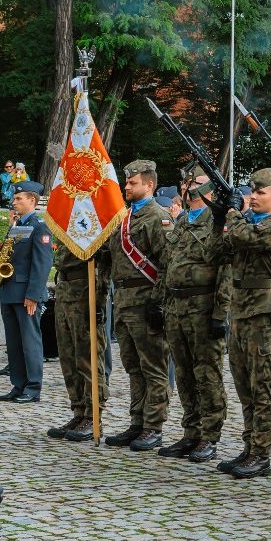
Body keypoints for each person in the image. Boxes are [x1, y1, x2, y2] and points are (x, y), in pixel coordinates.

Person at [216, 167, 271, 480]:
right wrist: (224, 216)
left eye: (261, 193)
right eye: (254, 192)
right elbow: (220, 249)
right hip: (241, 311)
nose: (254, 197)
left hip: (263, 313)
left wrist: (233, 213)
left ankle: (261, 453)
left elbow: (242, 238)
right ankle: (249, 446)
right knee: (244, 384)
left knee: (262, 387)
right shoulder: (247, 222)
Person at [158, 166, 228, 462]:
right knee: (184, 374)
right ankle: (191, 432)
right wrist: (161, 302)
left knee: (207, 374)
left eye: (196, 183)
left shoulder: (217, 222)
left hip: (203, 307)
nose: (188, 188)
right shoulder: (183, 221)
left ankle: (210, 436)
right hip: (177, 307)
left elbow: (225, 269)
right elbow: (169, 265)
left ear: (210, 191)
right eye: (186, 182)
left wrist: (220, 314)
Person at [103, 160, 172, 452]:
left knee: (153, 366)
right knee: (133, 366)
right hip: (124, 301)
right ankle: (137, 421)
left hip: (146, 300)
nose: (126, 187)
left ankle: (153, 426)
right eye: (126, 182)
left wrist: (158, 303)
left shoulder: (159, 217)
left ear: (149, 185)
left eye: (133, 183)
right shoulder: (124, 218)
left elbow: (167, 263)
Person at [0, 180, 52, 404]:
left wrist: (33, 295)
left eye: (19, 198)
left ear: (32, 201)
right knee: (14, 342)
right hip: (9, 291)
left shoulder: (39, 227)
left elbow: (42, 263)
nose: (14, 201)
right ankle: (18, 384)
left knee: (30, 341)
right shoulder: (16, 226)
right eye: (14, 198)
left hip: (26, 294)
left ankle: (33, 387)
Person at [46, 237, 110, 443]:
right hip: (65, 290)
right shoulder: (67, 219)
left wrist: (100, 299)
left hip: (85, 289)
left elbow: (104, 263)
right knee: (68, 359)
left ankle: (93, 416)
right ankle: (79, 410)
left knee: (87, 357)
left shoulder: (92, 218)